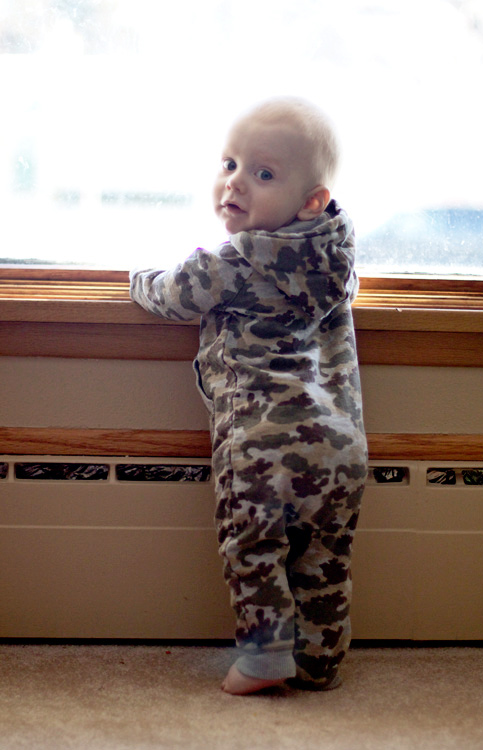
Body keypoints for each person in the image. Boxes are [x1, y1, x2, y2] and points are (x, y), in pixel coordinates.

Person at [130, 97, 368, 695]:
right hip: (341, 447)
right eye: (229, 163)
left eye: (263, 174)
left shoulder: (236, 261)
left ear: (311, 200)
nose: (234, 183)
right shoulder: (338, 257)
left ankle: (264, 658)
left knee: (253, 547)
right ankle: (320, 662)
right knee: (325, 556)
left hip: (262, 443)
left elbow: (173, 294)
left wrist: (136, 279)